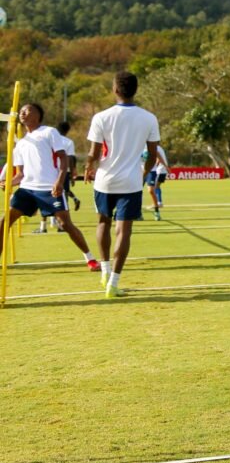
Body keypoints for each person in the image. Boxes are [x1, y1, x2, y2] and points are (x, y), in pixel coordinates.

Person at [84, 71, 161, 297]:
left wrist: (88, 168)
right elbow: (153, 154)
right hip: (131, 182)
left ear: (115, 89)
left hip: (104, 181)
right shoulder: (149, 118)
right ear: (135, 90)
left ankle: (105, 271)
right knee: (124, 231)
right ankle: (114, 283)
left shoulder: (101, 117)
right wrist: (143, 173)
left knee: (102, 223)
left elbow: (94, 153)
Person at [0, 103, 101, 272]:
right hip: (27, 190)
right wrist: (8, 183)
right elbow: (21, 174)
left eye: (27, 110)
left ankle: (90, 259)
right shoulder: (21, 144)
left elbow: (63, 158)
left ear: (37, 115)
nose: (22, 113)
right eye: (21, 111)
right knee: (4, 222)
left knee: (65, 224)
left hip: (49, 188)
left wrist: (59, 182)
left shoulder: (49, 132)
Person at [144, 144, 170, 220]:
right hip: (140, 171)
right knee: (137, 192)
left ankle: (157, 211)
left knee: (151, 190)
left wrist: (166, 166)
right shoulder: (137, 145)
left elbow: (158, 155)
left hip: (151, 171)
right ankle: (137, 213)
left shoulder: (150, 145)